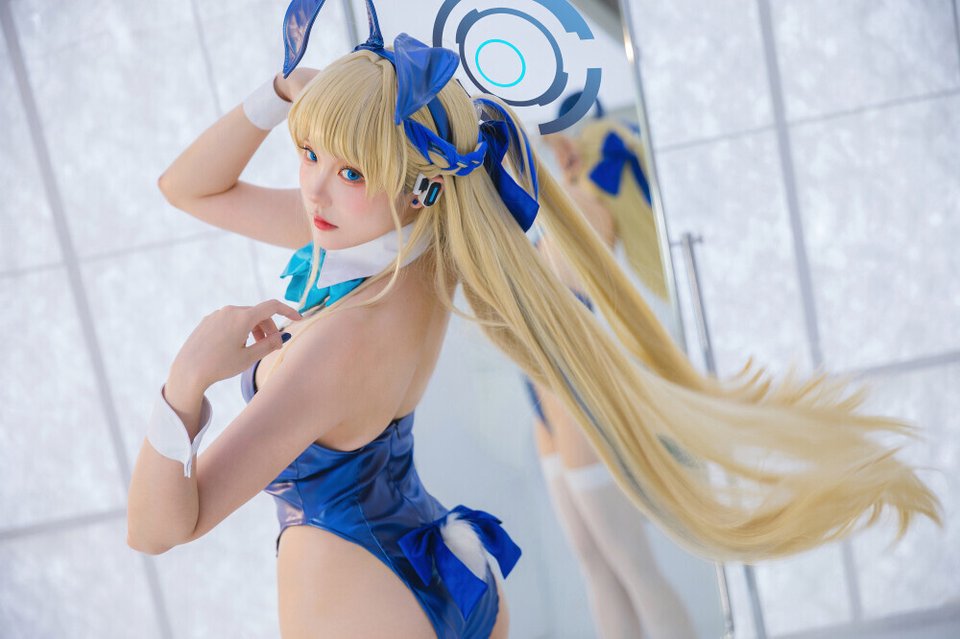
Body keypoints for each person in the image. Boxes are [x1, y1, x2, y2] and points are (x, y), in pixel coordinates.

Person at [126, 2, 941, 638]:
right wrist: (283, 95)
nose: (313, 188)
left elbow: (162, 526)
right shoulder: (420, 251)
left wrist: (185, 383)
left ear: (417, 182)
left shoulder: (337, 341)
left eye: (351, 171)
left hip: (359, 597)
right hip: (444, 572)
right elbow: (186, 189)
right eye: (309, 155)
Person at [523, 112, 698, 639]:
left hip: (574, 392)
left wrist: (542, 138)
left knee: (631, 568)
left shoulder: (586, 208)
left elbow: (527, 183)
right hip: (547, 394)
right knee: (597, 566)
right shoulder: (572, 205)